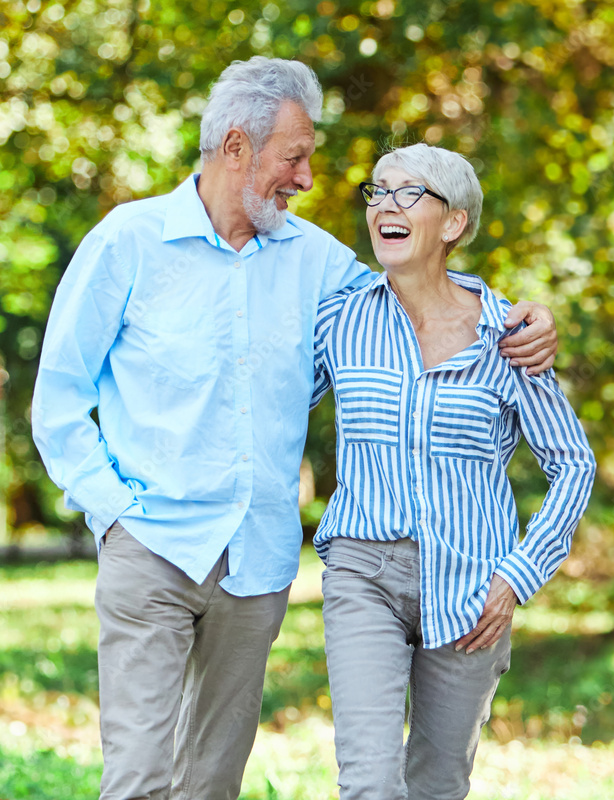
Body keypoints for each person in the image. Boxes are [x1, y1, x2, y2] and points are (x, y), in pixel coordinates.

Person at [31, 58, 559, 800]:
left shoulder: (320, 263)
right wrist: (115, 511)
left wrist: (523, 315)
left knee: (210, 782)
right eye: (296, 157)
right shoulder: (129, 242)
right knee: (139, 777)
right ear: (237, 148)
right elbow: (57, 399)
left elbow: (422, 293)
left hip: (256, 562)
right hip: (151, 546)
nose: (309, 179)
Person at [311, 143, 597, 800]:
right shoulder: (341, 317)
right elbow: (268, 399)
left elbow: (572, 464)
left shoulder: (508, 334)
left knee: (439, 784)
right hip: (364, 574)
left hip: (474, 590)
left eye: (409, 193)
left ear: (453, 223)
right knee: (370, 782)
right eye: (378, 191)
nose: (386, 204)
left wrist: (515, 577)